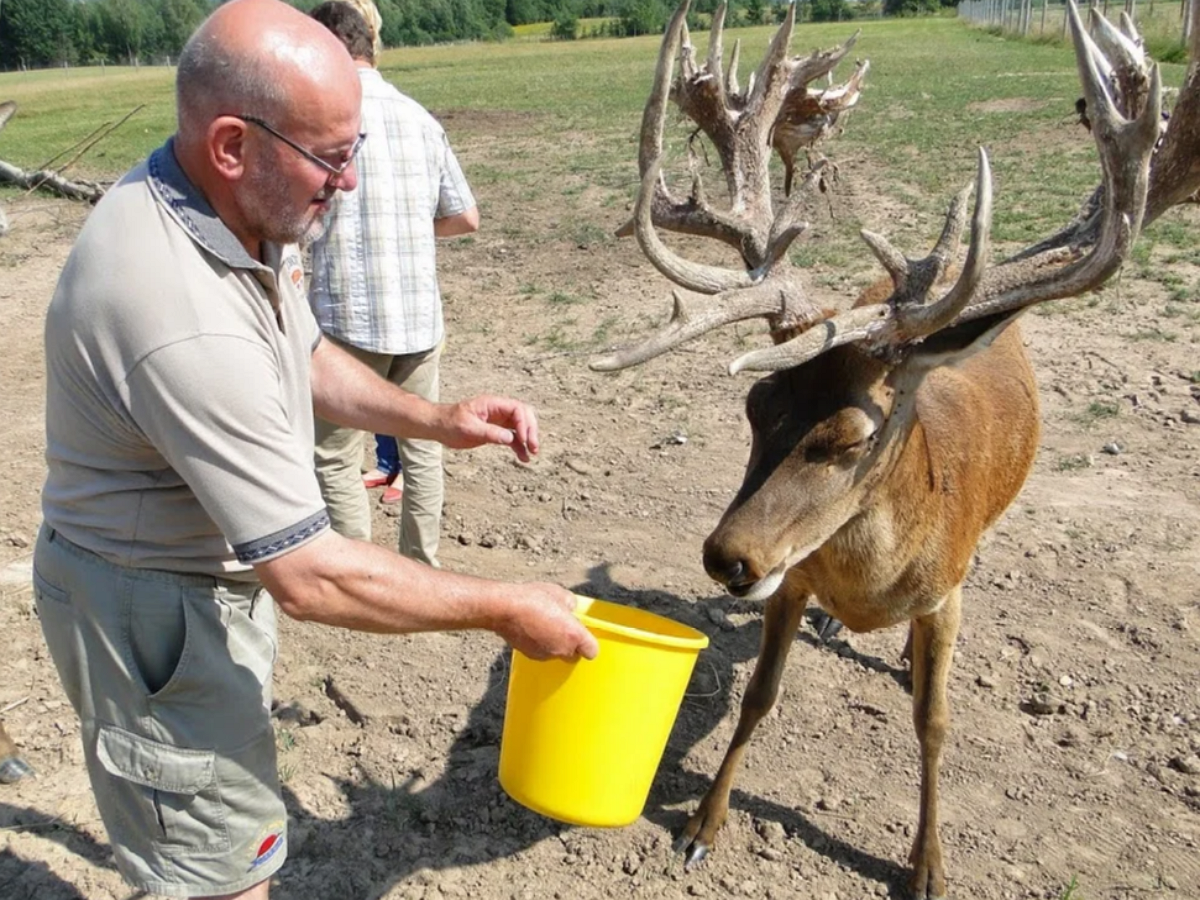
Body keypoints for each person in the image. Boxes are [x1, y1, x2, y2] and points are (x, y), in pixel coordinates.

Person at [32, 2, 597, 899]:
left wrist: (435, 419)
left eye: (352, 148)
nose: (351, 181)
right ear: (232, 144)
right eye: (331, 157)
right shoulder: (180, 312)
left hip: (190, 583)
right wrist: (505, 609)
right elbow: (311, 577)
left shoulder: (226, 209)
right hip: (149, 614)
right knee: (220, 875)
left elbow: (300, 351)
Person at [308, 0, 478, 568]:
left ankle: (360, 577)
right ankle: (419, 571)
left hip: (345, 325)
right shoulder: (420, 118)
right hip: (418, 322)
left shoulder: (318, 121)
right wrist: (408, 225)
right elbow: (465, 216)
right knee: (423, 449)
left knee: (336, 455)